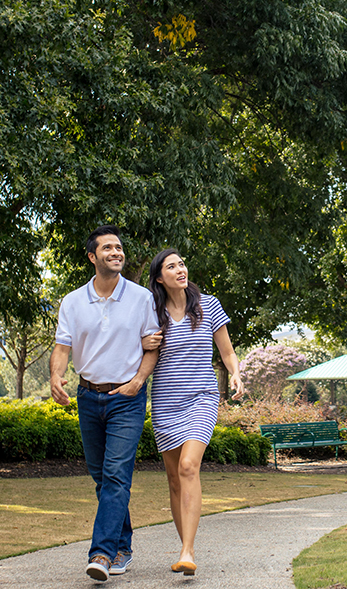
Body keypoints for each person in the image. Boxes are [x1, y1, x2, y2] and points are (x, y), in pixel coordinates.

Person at [50, 225, 161, 582]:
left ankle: (101, 553)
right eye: (108, 248)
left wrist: (137, 382)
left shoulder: (141, 298)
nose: (116, 252)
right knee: (102, 478)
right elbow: (62, 347)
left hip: (126, 398)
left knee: (115, 474)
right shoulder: (72, 301)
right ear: (92, 256)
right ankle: (123, 546)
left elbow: (151, 346)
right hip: (87, 396)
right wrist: (55, 376)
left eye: (119, 247)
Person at [145, 248, 244, 576]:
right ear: (160, 277)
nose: (180, 269)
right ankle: (184, 546)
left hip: (201, 398)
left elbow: (227, 350)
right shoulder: (152, 312)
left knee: (189, 467)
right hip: (164, 403)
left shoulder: (209, 305)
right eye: (171, 266)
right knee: (174, 480)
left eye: (182, 263)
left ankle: (188, 551)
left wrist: (236, 373)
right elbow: (142, 353)